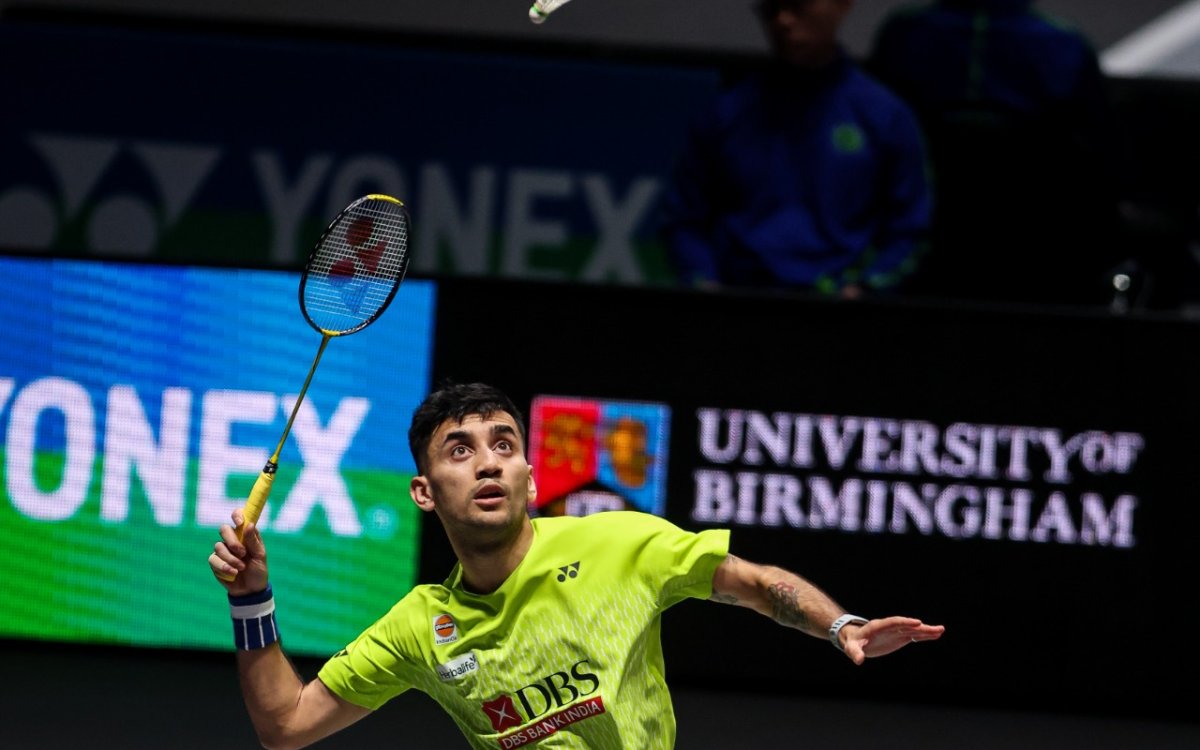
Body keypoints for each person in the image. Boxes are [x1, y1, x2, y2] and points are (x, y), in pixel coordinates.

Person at [209, 381, 945, 749]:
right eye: (460, 450)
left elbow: (755, 585)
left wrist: (837, 623)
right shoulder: (418, 626)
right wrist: (252, 599)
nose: (488, 463)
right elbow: (286, 724)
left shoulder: (618, 545)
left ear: (531, 475)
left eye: (503, 444)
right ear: (425, 492)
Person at [660, 0, 933, 298]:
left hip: (841, 308)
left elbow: (911, 232)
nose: (783, 21)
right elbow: (684, 221)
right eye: (771, 10)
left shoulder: (886, 117)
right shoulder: (724, 115)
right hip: (739, 301)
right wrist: (704, 282)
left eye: (798, 5)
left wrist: (865, 288)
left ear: (842, 5)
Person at [867, 0, 1122, 306]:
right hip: (1017, 246)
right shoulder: (1063, 44)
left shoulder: (904, 33)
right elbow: (1106, 161)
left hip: (989, 240)